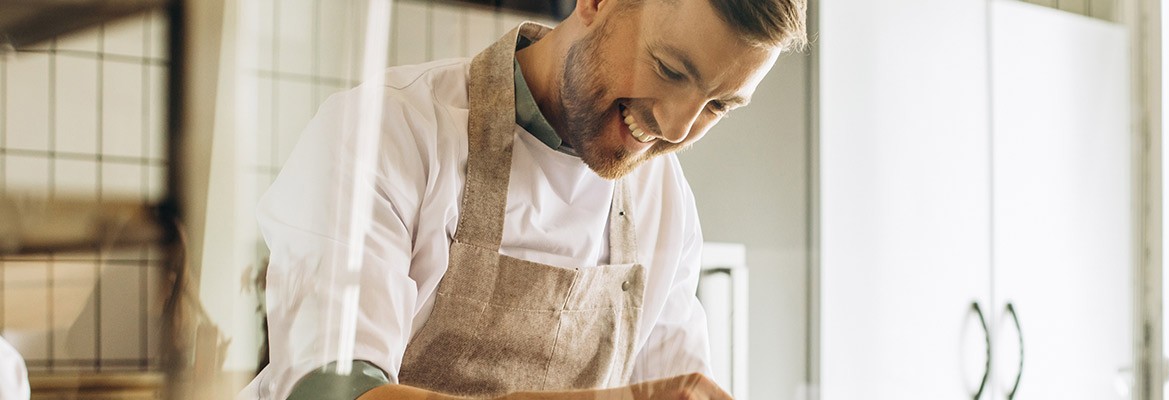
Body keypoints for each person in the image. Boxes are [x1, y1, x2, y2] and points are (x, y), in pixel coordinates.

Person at [240, 0, 806, 398]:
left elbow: (675, 387)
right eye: (670, 69)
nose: (677, 128)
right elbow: (331, 392)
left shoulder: (665, 203)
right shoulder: (388, 133)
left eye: (719, 106)